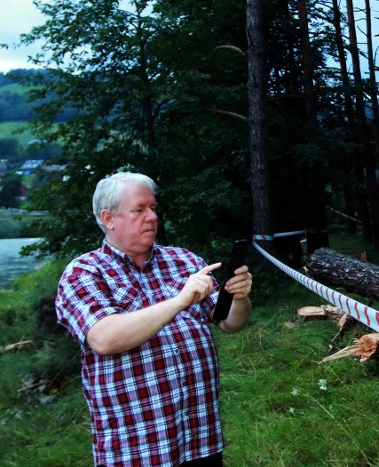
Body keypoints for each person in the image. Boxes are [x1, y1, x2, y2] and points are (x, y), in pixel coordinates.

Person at [55, 172, 252, 467]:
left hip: (200, 439)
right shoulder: (83, 272)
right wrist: (179, 301)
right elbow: (104, 339)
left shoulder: (184, 260)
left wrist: (239, 298)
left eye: (153, 208)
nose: (151, 217)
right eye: (139, 210)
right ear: (109, 218)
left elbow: (230, 323)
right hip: (136, 449)